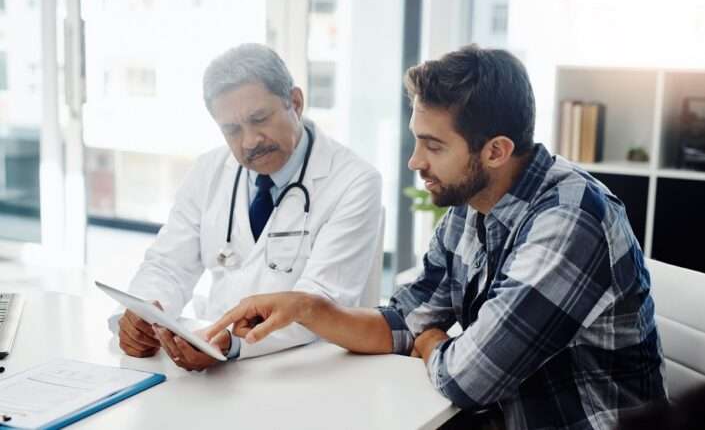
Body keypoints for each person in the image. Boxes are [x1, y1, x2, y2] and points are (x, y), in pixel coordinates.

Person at [206, 44, 666, 429]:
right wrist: (305, 307)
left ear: (495, 151)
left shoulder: (570, 220)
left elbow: (470, 378)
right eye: (416, 140)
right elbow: (405, 321)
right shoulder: (474, 204)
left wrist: (431, 345)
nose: (415, 162)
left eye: (434, 146)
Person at [113, 43, 383, 371]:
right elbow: (168, 266)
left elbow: (319, 303)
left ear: (295, 103)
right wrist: (145, 316)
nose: (250, 141)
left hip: (308, 371)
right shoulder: (208, 171)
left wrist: (234, 344)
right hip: (214, 363)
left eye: (259, 119)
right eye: (232, 129)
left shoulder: (354, 181)